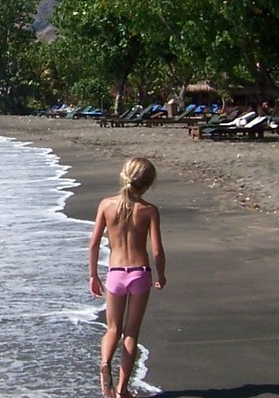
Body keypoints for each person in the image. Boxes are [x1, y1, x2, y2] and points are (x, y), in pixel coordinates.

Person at [88, 157, 166, 398]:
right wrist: (161, 274)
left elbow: (93, 244)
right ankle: (122, 390)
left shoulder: (106, 205)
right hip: (139, 274)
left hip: (115, 273)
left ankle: (105, 363)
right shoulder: (149, 210)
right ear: (148, 183)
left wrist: (93, 275)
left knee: (113, 328)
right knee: (131, 333)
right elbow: (156, 251)